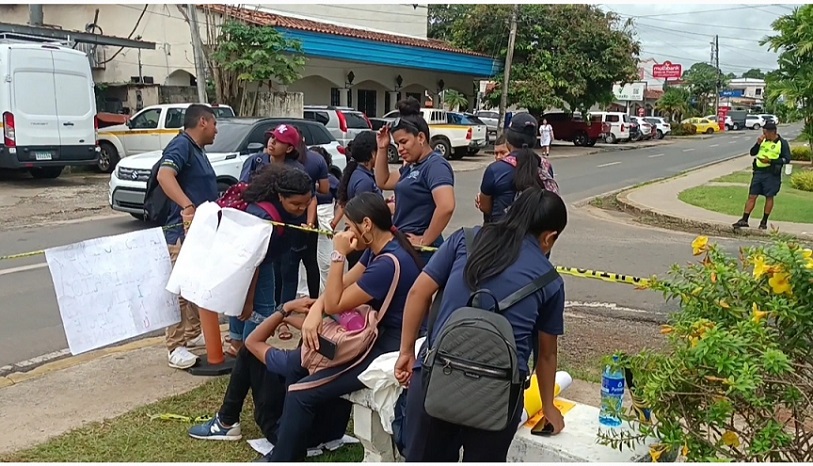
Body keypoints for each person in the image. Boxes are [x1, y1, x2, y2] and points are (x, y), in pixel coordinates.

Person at [395, 188, 568, 462]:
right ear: (550, 237)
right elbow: (546, 354)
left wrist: (406, 351)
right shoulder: (550, 281)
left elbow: (418, 293)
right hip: (498, 398)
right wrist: (548, 407)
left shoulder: (466, 239)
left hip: (436, 379)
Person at [265, 192, 423, 461]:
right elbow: (338, 291)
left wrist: (338, 254)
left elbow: (336, 302)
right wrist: (316, 310)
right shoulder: (381, 249)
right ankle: (310, 438)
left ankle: (283, 458)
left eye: (349, 226)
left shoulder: (387, 263)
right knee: (302, 360)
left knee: (300, 393)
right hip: (373, 336)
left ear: (367, 225)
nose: (345, 232)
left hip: (385, 347)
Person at [189, 296, 352, 449]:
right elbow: (315, 331)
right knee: (307, 347)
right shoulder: (353, 342)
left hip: (288, 434)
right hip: (333, 431)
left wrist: (283, 310)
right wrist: (287, 318)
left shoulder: (293, 360)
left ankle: (226, 422)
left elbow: (252, 342)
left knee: (248, 353)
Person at [226, 166, 314, 357]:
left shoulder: (270, 203)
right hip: (252, 264)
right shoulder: (266, 220)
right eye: (296, 204)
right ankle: (249, 355)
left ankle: (237, 344)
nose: (302, 209)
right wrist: (249, 301)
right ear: (281, 196)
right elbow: (253, 265)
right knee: (263, 309)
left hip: (247, 260)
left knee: (238, 304)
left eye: (306, 203)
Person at [156, 104, 219, 369]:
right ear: (202, 122)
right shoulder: (181, 146)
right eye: (215, 123)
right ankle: (176, 345)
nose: (217, 130)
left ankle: (192, 334)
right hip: (180, 232)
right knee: (180, 289)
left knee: (196, 284)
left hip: (198, 233)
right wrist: (187, 205)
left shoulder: (198, 150)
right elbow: (164, 174)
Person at [374, 97, 455, 263]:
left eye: (404, 142)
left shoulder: (435, 165)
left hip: (421, 251)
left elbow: (446, 206)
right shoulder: (412, 166)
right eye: (397, 144)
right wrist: (382, 148)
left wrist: (425, 240)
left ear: (420, 137)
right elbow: (384, 181)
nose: (400, 149)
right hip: (404, 244)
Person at [477, 113, 559, 224]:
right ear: (534, 140)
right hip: (533, 237)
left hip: (501, 236)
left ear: (508, 141)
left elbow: (486, 207)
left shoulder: (495, 170)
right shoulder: (545, 167)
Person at [333, 131, 383, 268]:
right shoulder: (364, 181)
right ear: (373, 154)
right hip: (362, 241)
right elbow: (364, 213)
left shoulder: (359, 174)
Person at [732, 122, 791, 230]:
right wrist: (758, 143)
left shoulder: (782, 143)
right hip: (759, 172)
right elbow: (752, 153)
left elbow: (786, 159)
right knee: (752, 195)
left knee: (769, 196)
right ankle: (744, 219)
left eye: (765, 133)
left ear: (772, 132)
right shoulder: (762, 140)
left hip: (772, 173)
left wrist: (771, 161)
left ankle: (764, 221)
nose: (763, 135)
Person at [239, 124, 307, 183]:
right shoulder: (255, 160)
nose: (272, 142)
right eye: (272, 137)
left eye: (279, 140)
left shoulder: (296, 170)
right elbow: (241, 187)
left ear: (289, 149)